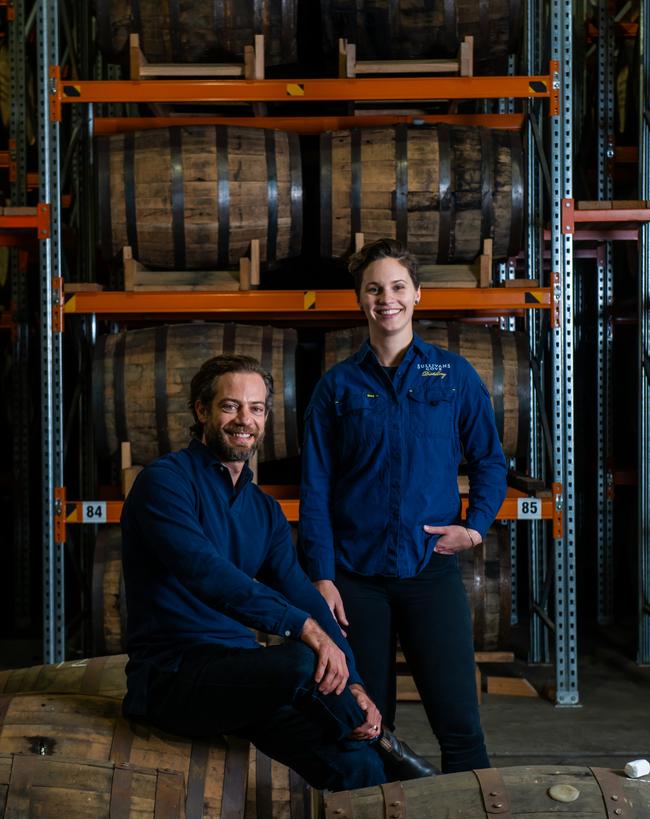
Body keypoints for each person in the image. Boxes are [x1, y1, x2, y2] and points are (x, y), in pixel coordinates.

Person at [121, 353, 435, 791]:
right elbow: (206, 573)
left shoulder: (264, 510)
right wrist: (305, 629)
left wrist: (357, 682)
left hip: (242, 676)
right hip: (173, 678)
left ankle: (379, 762)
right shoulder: (164, 482)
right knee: (301, 661)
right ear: (202, 411)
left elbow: (301, 593)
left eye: (256, 408)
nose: (244, 420)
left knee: (354, 766)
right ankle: (386, 741)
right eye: (230, 406)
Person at [298, 239, 507, 774]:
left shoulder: (453, 376)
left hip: (428, 572)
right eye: (373, 288)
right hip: (354, 580)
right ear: (360, 299)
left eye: (396, 287)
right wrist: (322, 576)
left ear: (417, 294)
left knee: (459, 723)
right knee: (366, 724)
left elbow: (489, 462)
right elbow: (315, 489)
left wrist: (475, 528)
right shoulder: (337, 388)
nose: (385, 298)